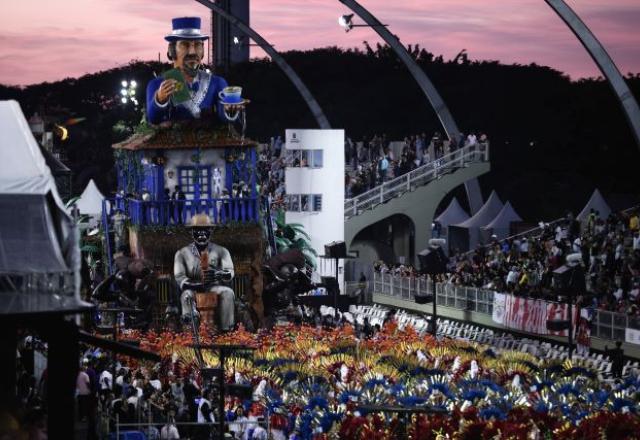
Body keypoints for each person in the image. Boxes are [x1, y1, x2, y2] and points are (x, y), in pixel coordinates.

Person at [146, 17, 243, 124]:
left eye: (197, 45)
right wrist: (159, 100)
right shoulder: (157, 84)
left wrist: (231, 109)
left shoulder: (217, 83)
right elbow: (153, 119)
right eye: (185, 45)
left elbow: (225, 118)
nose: (192, 52)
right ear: (171, 50)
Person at [174, 213, 235, 331]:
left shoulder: (221, 251)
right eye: (197, 230)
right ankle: (190, 333)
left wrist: (219, 274)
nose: (201, 234)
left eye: (205, 230)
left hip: (214, 287)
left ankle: (227, 332)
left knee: (228, 293)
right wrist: (199, 285)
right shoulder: (182, 254)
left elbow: (230, 271)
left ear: (211, 231)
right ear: (191, 232)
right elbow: (180, 279)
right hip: (192, 289)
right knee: (186, 296)